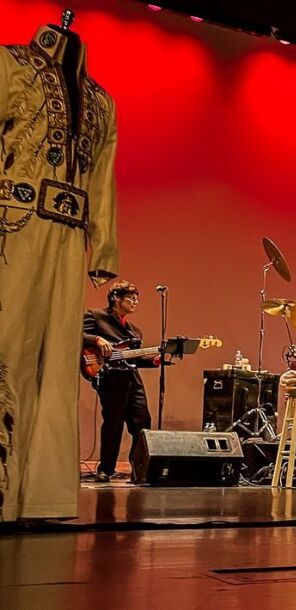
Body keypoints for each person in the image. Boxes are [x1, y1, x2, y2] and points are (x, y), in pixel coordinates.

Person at [1, 25, 119, 521]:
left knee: (55, 365)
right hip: (14, 226)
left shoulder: (101, 102)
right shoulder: (11, 64)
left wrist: (104, 246)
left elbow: (103, 174)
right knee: (8, 351)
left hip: (70, 236)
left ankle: (41, 496)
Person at [83, 281, 158, 482]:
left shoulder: (135, 331)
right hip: (110, 378)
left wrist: (156, 358)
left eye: (137, 298)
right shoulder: (96, 317)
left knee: (142, 422)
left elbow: (133, 357)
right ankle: (105, 469)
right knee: (113, 423)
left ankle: (138, 469)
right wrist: (96, 340)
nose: (136, 302)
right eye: (131, 298)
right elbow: (75, 335)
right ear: (116, 298)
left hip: (131, 377)